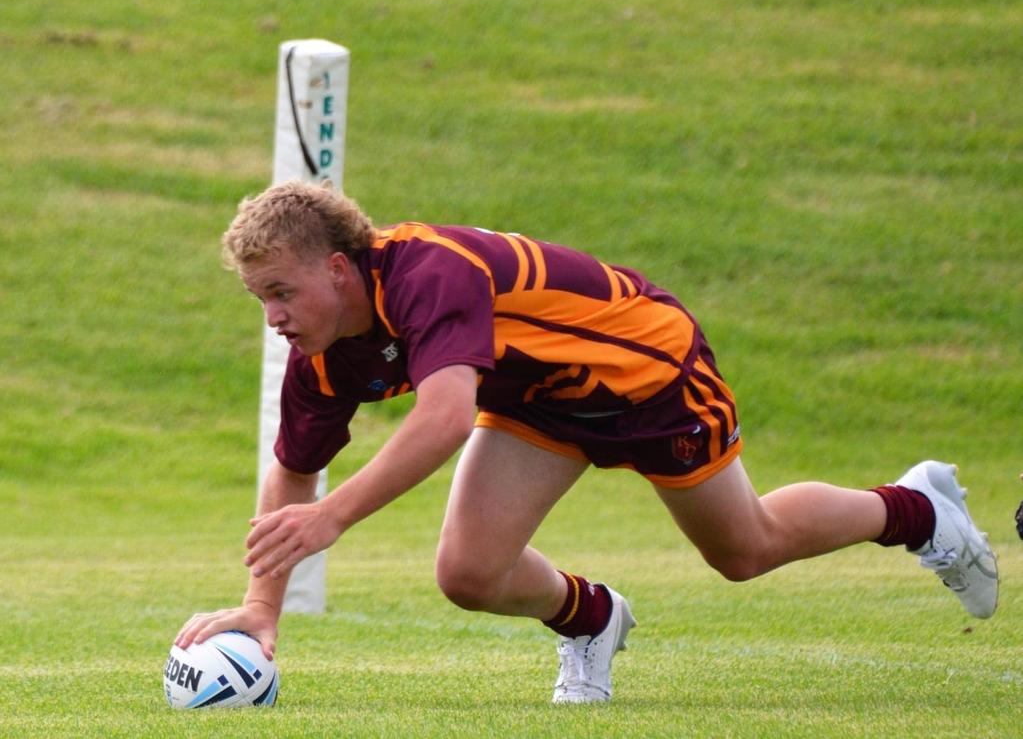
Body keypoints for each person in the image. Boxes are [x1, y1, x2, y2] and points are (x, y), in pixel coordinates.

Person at [176, 180, 998, 704]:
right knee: (468, 574)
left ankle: (914, 510)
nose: (273, 315)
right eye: (260, 298)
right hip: (538, 401)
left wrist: (336, 519)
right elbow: (292, 471)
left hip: (645, 367)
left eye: (281, 292)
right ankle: (591, 618)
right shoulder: (319, 356)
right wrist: (260, 607)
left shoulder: (429, 271)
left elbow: (443, 417)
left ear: (340, 270)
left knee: (746, 549)